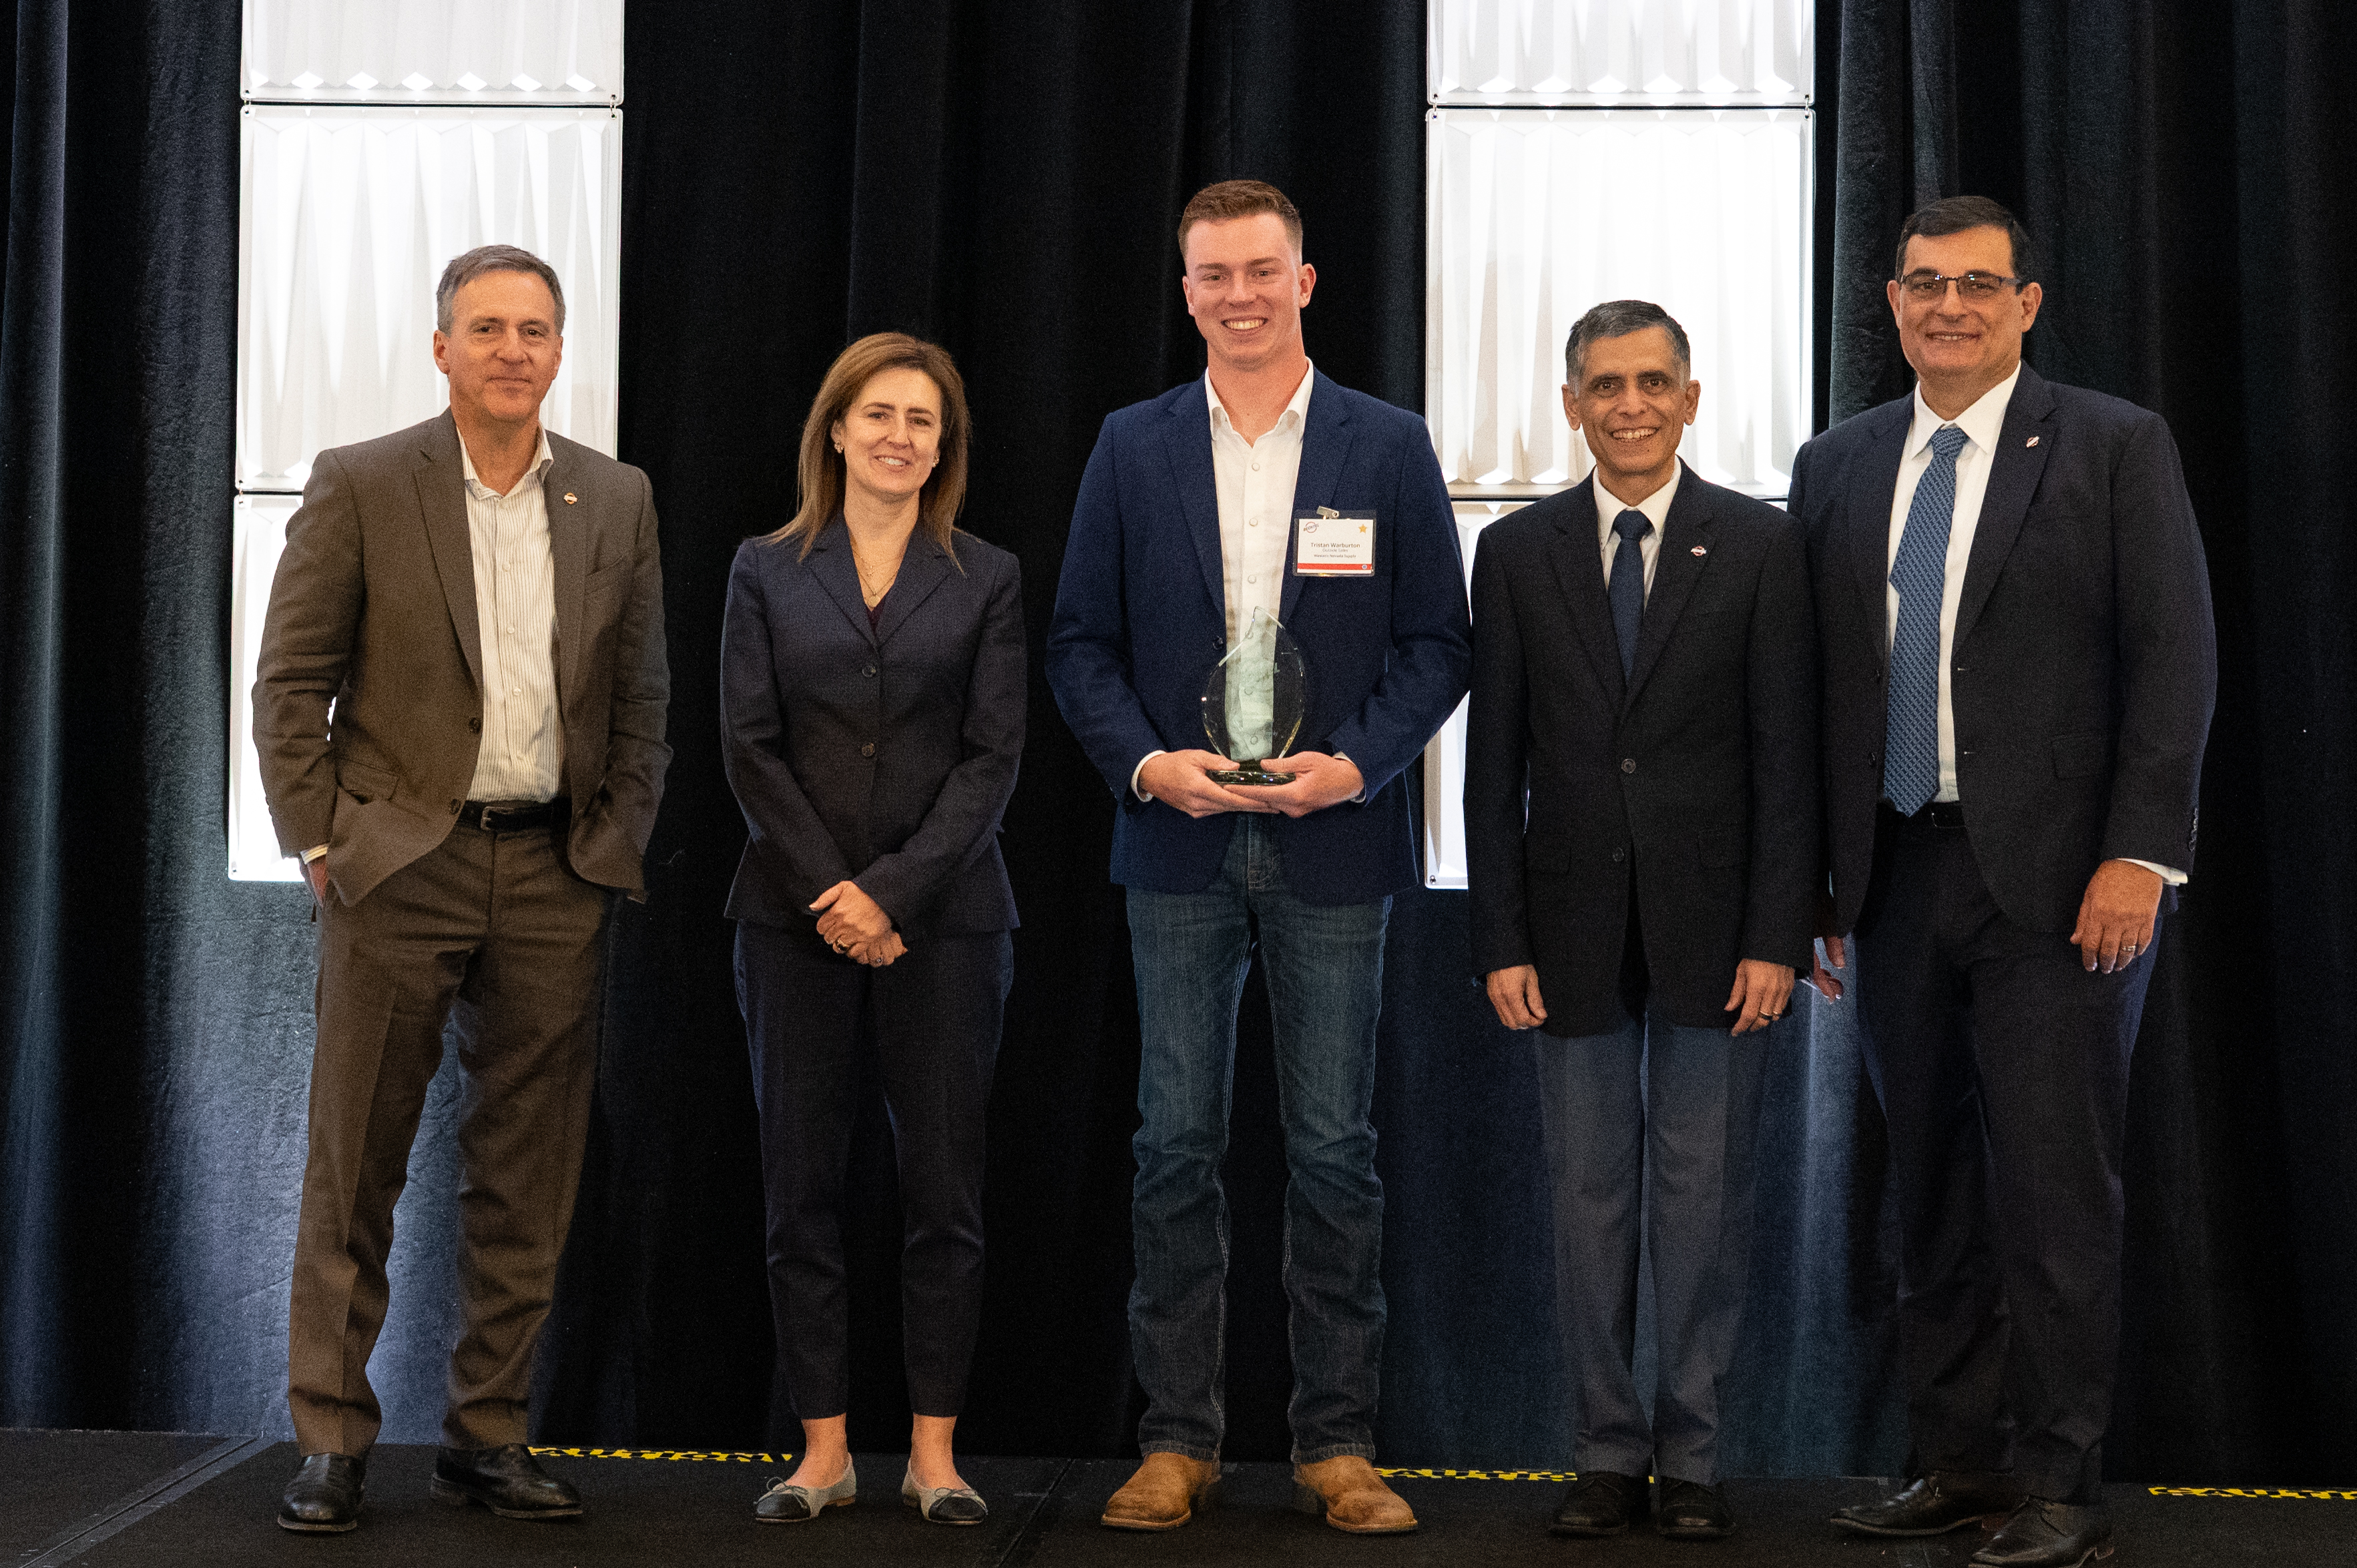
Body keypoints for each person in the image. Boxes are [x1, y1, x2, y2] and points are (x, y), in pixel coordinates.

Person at [1794, 197, 2215, 1568]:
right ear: (1891, 299)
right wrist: (1814, 876)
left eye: (1978, 285)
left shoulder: (2109, 444)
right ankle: (1961, 1463)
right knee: (1928, 1189)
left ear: (2025, 303)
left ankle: (2060, 1481)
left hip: (2059, 886)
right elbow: (1818, 688)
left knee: (2051, 1190)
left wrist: (2137, 853)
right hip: (1891, 874)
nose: (1949, 307)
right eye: (1924, 284)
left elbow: (2171, 659)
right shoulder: (1838, 463)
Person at [1047, 179, 1471, 1535]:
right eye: (1211, 274)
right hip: (1172, 841)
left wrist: (1355, 764)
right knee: (1171, 1145)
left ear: (1303, 281)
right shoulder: (1129, 444)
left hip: (1333, 838)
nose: (1236, 293)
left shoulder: (1385, 444)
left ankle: (1334, 1442)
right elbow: (1078, 645)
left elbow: (1435, 646)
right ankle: (1176, 1436)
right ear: (1184, 293)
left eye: (1259, 269)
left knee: (1333, 1149)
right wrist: (1144, 764)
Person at [254, 244, 671, 1532]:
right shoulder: (366, 482)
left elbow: (644, 697)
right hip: (402, 869)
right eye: (484, 327)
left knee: (527, 1171)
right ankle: (331, 1435)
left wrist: (614, 837)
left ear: (560, 351)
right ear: (441, 348)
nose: (510, 348)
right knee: (355, 1160)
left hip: (557, 868)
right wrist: (325, 838)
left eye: (533, 329)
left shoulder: (615, 497)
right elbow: (287, 685)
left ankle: (487, 1434)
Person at [1463, 300, 1818, 1542]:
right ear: (1571, 403)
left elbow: (1791, 760)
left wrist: (1781, 933)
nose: (1629, 404)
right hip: (1563, 936)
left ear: (1692, 396)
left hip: (1723, 938)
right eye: (1604, 384)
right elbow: (1489, 764)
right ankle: (1608, 1454)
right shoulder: (1513, 554)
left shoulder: (1762, 548)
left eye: (1652, 382)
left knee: (1702, 1204)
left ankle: (1698, 1460)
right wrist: (1499, 935)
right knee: (1588, 1203)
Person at [721, 333, 1023, 1528]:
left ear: (943, 449)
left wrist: (889, 894)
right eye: (880, 413)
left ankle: (935, 1456)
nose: (902, 435)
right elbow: (749, 746)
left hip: (947, 925)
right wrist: (832, 896)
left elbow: (994, 755)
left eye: (925, 421)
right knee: (802, 1189)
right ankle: (826, 1451)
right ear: (835, 428)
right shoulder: (764, 567)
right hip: (789, 922)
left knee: (942, 1193)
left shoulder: (987, 574)